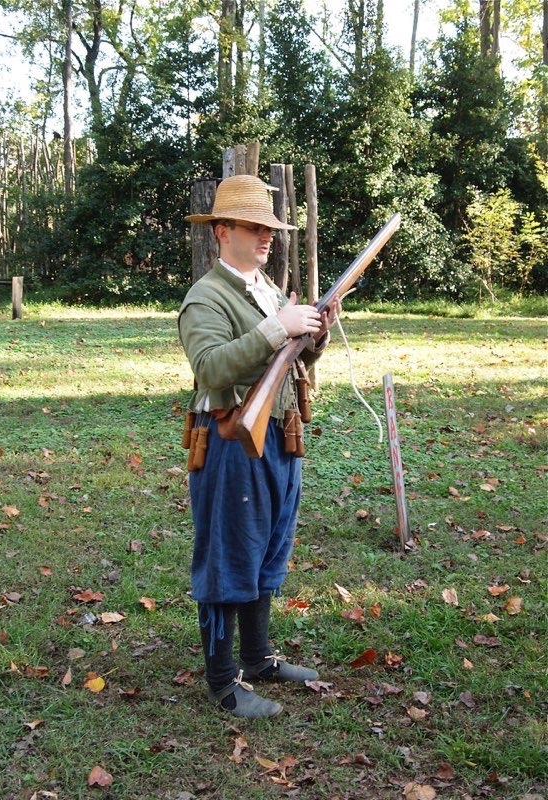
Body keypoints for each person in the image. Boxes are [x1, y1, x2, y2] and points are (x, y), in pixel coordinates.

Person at [178, 174, 340, 719]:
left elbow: (285, 364)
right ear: (223, 231)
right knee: (230, 556)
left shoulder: (266, 288)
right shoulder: (206, 295)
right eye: (254, 226)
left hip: (279, 435)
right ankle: (224, 684)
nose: (267, 235)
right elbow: (211, 368)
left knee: (267, 549)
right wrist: (277, 329)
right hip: (231, 441)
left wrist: (311, 338)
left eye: (270, 226)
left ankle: (258, 657)